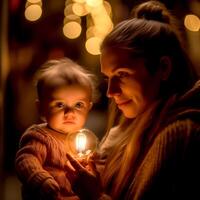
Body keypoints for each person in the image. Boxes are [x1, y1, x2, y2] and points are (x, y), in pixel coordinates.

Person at [66, 1, 200, 200]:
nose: (110, 92)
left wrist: (94, 196)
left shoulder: (178, 136)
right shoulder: (124, 135)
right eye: (108, 77)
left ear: (163, 68)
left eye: (122, 74)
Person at [15, 57, 99, 200]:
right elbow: (26, 160)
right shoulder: (40, 137)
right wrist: (41, 180)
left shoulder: (86, 140)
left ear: (89, 108)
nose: (70, 113)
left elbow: (99, 165)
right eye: (60, 105)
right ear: (41, 109)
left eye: (78, 105)